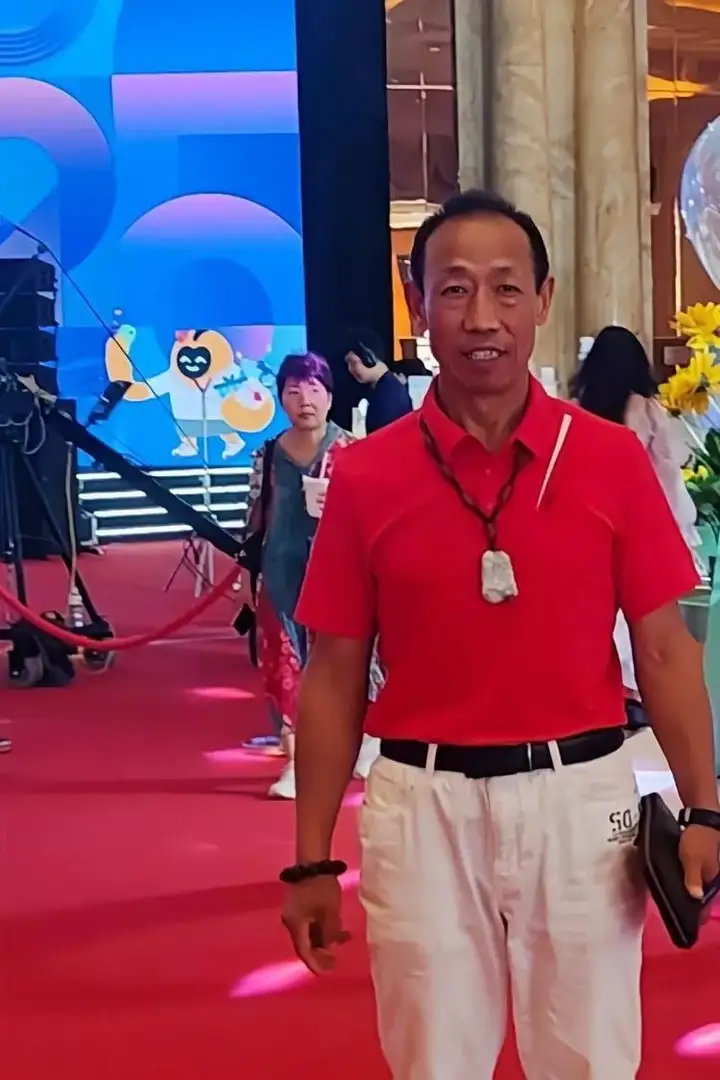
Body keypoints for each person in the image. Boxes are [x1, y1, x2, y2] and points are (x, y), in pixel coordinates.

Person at [281, 190, 720, 1079]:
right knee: (433, 1061)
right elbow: (332, 676)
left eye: (507, 288)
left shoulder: (609, 460)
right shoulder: (367, 475)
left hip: (581, 802)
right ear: (419, 305)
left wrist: (705, 807)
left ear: (544, 300)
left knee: (591, 1060)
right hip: (422, 806)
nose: (482, 317)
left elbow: (665, 648)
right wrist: (310, 860)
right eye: (454, 289)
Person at [238, 352, 378, 799]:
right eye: (294, 391)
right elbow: (254, 521)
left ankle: (362, 740)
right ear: (280, 398)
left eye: (314, 389)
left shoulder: (353, 451)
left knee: (342, 664)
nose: (305, 400)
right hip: (281, 575)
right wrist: (246, 579)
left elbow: (375, 518)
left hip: (339, 576)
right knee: (285, 668)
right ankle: (297, 763)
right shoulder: (267, 455)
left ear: (330, 396)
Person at [574, 325, 704, 705]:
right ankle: (637, 691)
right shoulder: (646, 409)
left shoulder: (578, 409)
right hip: (642, 518)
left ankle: (610, 685)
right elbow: (667, 468)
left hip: (592, 520)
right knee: (648, 614)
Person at [344, 329, 413, 434]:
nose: (350, 369)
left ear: (369, 358)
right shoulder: (386, 387)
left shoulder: (387, 396)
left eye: (353, 362)